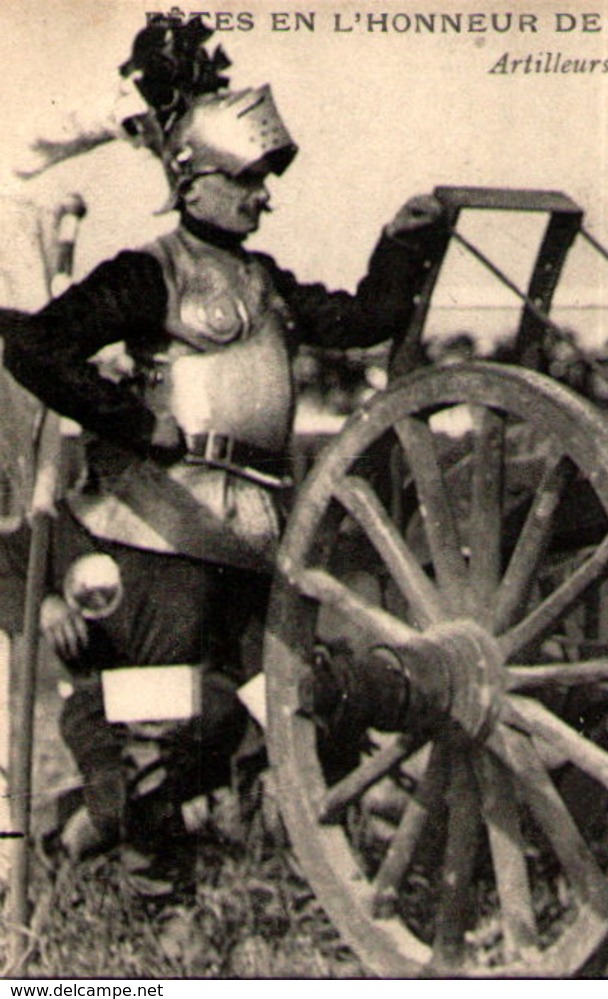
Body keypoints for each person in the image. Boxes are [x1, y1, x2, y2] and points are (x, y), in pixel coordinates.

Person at [0, 15, 446, 870]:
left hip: (250, 543)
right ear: (192, 180)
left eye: (264, 180)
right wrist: (136, 423)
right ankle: (142, 885)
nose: (262, 195)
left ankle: (90, 826)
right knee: (156, 719)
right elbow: (33, 347)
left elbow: (362, 319)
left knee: (281, 705)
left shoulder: (264, 280)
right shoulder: (146, 273)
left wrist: (402, 242)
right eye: (247, 179)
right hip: (156, 542)